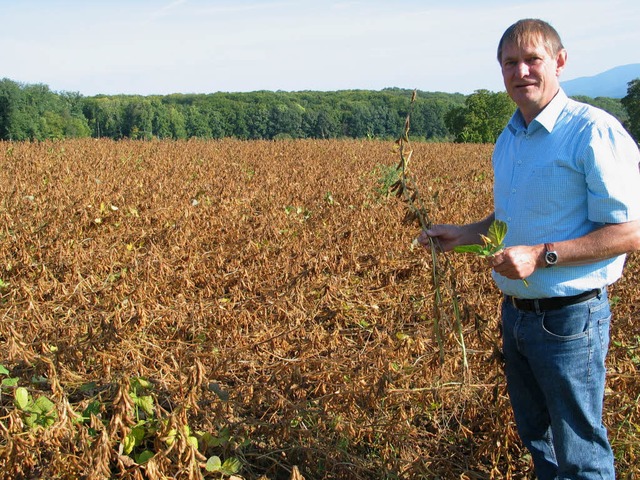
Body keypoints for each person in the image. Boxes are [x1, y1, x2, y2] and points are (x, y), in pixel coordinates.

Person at [419, 18, 640, 479]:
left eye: (532, 59)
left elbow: (629, 231)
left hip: (570, 319)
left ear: (559, 62)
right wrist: (460, 235)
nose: (521, 71)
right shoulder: (510, 137)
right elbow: (507, 225)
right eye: (510, 63)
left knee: (580, 452)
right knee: (539, 441)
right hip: (517, 314)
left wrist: (541, 256)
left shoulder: (592, 131)